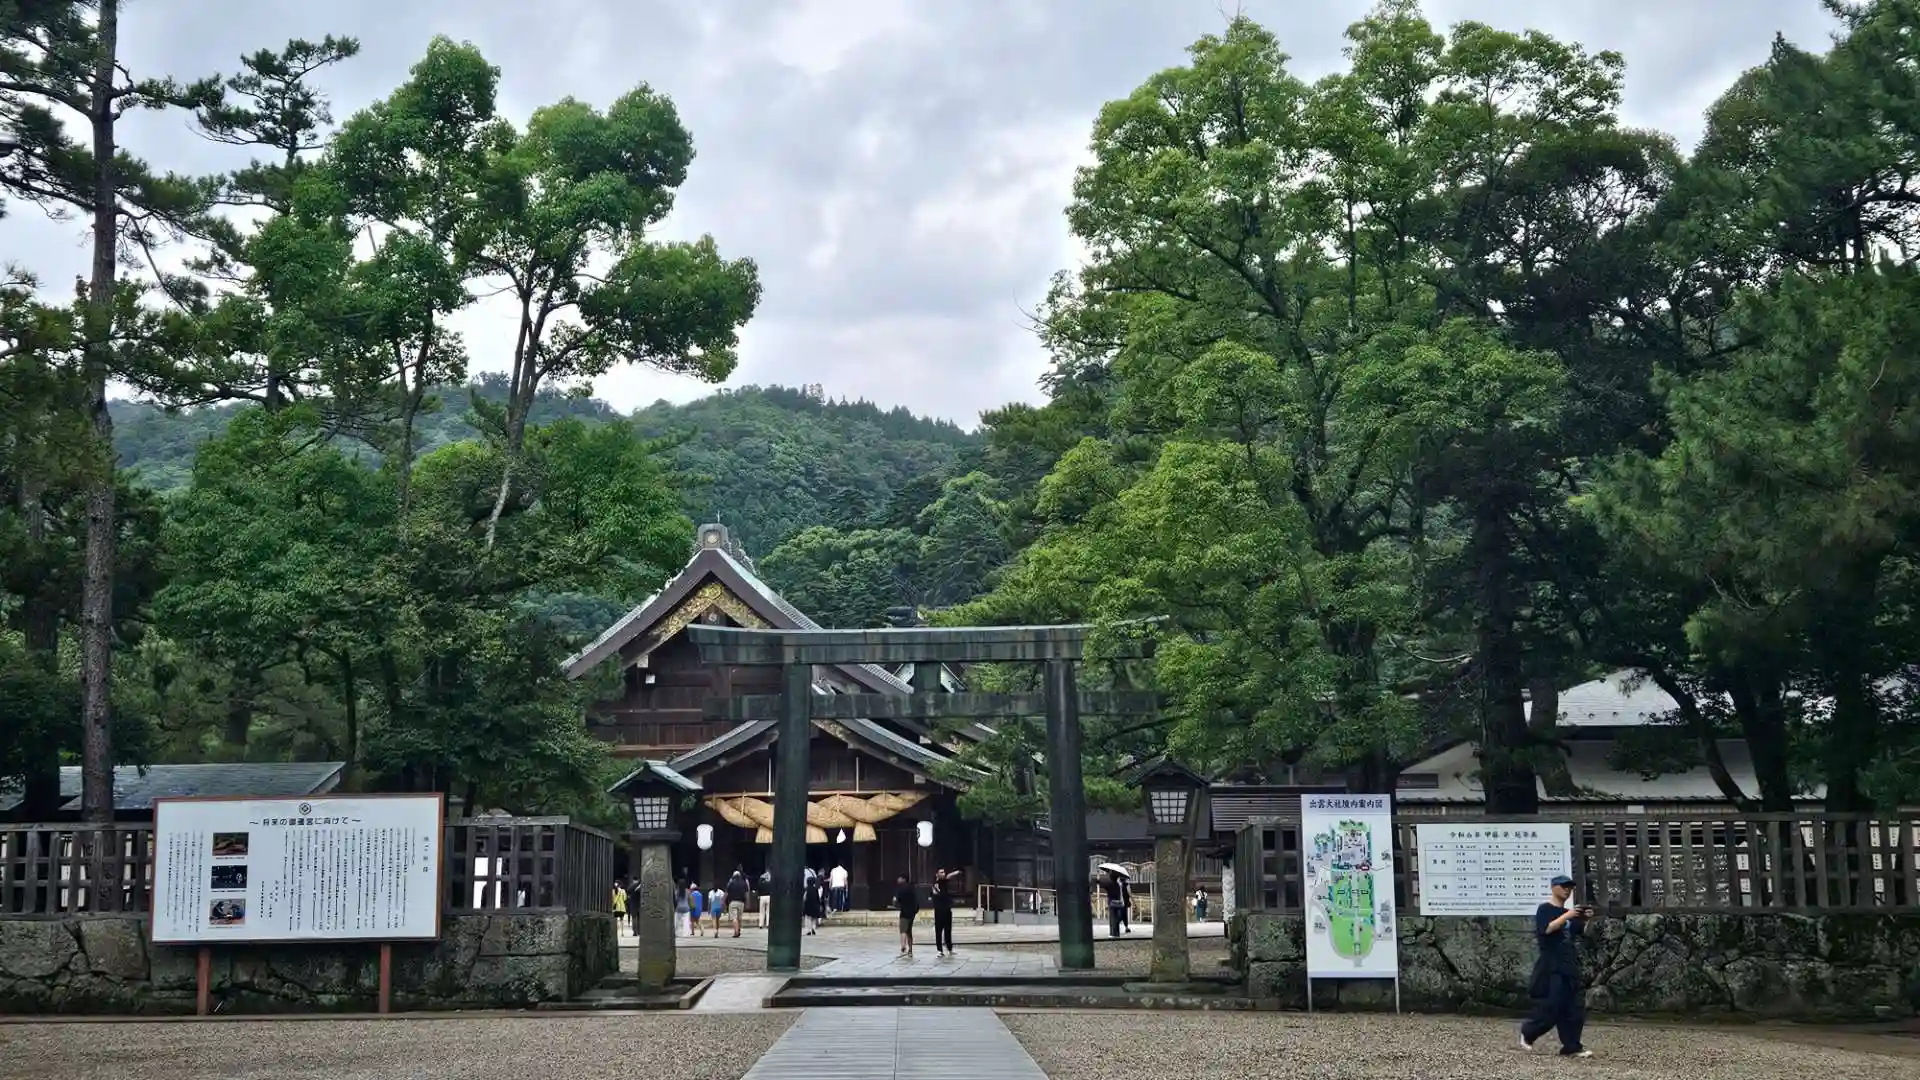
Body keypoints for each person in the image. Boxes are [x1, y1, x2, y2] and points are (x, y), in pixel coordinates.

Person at [1520, 874, 1595, 1059]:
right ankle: (1528, 1032)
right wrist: (1567, 916)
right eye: (1563, 886)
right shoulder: (1544, 909)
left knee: (1574, 1008)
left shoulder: (1570, 913)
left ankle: (1572, 1046)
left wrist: (1586, 919)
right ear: (1554, 887)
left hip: (1569, 964)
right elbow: (1546, 929)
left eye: (1570, 887)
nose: (1567, 890)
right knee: (1552, 1005)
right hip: (1551, 965)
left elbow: (1580, 933)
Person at [931, 869, 957, 957]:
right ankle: (939, 950)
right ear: (937, 874)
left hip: (947, 910)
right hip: (939, 911)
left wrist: (956, 872)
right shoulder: (935, 884)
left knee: (948, 930)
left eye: (944, 872)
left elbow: (949, 876)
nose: (943, 874)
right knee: (938, 931)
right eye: (941, 872)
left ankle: (949, 948)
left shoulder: (944, 882)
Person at [893, 873, 920, 957]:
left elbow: (896, 900)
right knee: (909, 931)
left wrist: (895, 903)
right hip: (912, 912)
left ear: (903, 879)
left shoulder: (900, 888)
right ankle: (910, 950)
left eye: (899, 878)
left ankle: (903, 947)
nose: (898, 880)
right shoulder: (912, 887)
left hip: (904, 912)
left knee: (903, 930)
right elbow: (916, 900)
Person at [725, 869, 751, 938]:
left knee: (734, 918)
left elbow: (726, 893)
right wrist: (748, 903)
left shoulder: (730, 883)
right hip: (741, 902)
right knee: (739, 918)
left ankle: (736, 931)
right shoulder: (744, 883)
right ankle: (738, 930)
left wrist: (724, 902)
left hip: (732, 902)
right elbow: (747, 894)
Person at [1103, 869, 1129, 939]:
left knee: (1113, 918)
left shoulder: (1110, 884)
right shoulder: (1118, 885)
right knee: (1117, 917)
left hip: (1112, 902)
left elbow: (1105, 886)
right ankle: (1116, 933)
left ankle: (1113, 933)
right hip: (1118, 902)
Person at [803, 871, 826, 935]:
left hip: (808, 905)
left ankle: (808, 930)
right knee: (814, 918)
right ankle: (813, 928)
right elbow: (818, 898)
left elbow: (804, 898)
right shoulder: (815, 889)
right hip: (815, 905)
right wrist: (819, 905)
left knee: (808, 918)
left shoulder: (806, 889)